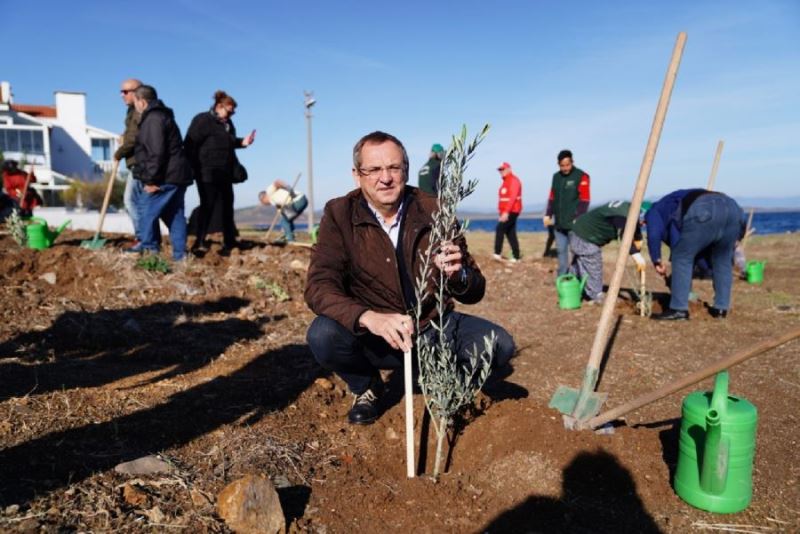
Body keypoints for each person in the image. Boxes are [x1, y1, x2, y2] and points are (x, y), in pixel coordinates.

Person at [305, 131, 516, 425]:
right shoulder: (339, 214)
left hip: (431, 327)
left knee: (499, 344)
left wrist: (458, 275)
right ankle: (367, 387)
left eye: (394, 167)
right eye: (374, 169)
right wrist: (368, 317)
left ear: (406, 169)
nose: (386, 178)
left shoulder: (434, 208)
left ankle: (440, 383)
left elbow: (475, 290)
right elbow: (318, 286)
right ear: (357, 175)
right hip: (375, 337)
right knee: (323, 335)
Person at [645, 189, 744, 320]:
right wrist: (739, 236)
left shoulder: (654, 210)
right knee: (722, 260)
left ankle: (679, 310)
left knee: (681, 257)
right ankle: (721, 308)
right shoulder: (671, 207)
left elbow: (653, 234)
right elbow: (695, 251)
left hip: (704, 208)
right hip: (733, 209)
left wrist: (656, 259)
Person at [184, 90, 255, 255]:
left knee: (227, 207)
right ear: (218, 106)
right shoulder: (202, 120)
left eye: (233, 112)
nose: (231, 115)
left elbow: (229, 143)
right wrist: (193, 168)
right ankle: (199, 242)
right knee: (207, 206)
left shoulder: (228, 125)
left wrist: (242, 142)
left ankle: (229, 242)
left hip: (225, 173)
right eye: (229, 111)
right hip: (206, 172)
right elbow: (189, 144)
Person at [132, 85, 193, 261]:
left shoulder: (153, 119)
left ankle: (151, 254)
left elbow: (156, 152)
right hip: (177, 175)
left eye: (135, 102)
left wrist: (150, 180)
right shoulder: (162, 116)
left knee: (145, 210)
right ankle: (180, 257)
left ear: (142, 102)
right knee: (174, 215)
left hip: (165, 177)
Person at [568, 200, 646, 304]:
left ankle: (570, 290)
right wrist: (636, 255)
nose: (644, 224)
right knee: (593, 264)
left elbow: (633, 223)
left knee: (580, 265)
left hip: (580, 229)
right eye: (643, 221)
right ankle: (595, 296)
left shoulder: (630, 208)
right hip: (585, 235)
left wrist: (638, 237)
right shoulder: (622, 216)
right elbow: (625, 236)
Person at [545, 149, 590, 275]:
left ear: (572, 162)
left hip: (574, 224)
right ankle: (562, 278)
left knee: (577, 252)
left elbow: (585, 200)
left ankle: (578, 277)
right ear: (558, 164)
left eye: (567, 165)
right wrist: (548, 214)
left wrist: (578, 217)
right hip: (559, 224)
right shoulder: (556, 177)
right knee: (561, 252)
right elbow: (552, 197)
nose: (565, 168)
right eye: (562, 165)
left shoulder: (581, 176)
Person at [113, 78, 143, 248]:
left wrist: (119, 152)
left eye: (125, 91)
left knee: (130, 201)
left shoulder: (139, 110)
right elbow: (131, 135)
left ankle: (143, 238)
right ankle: (146, 238)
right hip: (136, 162)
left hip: (140, 163)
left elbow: (134, 138)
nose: (121, 95)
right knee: (140, 203)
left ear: (137, 91)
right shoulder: (132, 111)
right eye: (121, 92)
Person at [493, 162, 522, 262]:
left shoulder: (514, 180)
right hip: (505, 212)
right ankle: (516, 255)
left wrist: (506, 212)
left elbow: (512, 198)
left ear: (509, 169)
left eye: (503, 169)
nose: (501, 171)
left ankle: (497, 253)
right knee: (510, 232)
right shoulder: (505, 182)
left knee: (500, 228)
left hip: (512, 211)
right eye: (500, 170)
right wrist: (502, 212)